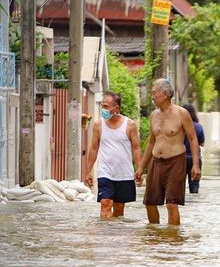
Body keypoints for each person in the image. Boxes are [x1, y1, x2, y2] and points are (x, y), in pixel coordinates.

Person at [134, 79, 200, 225]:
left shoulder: (181, 113)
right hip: (156, 162)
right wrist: (141, 167)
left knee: (172, 203)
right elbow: (152, 142)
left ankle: (172, 240)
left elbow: (193, 138)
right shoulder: (153, 115)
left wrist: (196, 164)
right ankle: (154, 237)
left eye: (154, 93)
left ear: (164, 95)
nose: (151, 96)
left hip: (175, 162)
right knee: (149, 203)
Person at [85, 91, 143, 219]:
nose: (103, 110)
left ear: (116, 108)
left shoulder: (130, 125)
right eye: (102, 106)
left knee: (118, 207)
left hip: (124, 173)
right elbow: (94, 148)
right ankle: (105, 236)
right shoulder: (98, 125)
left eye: (106, 107)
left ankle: (115, 236)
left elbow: (136, 148)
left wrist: (140, 169)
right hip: (105, 172)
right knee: (105, 203)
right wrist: (88, 171)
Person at [182, 104, 205, 193]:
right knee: (194, 185)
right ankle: (194, 204)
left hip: (181, 158)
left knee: (179, 185)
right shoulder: (198, 127)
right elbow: (202, 143)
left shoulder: (179, 126)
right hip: (195, 159)